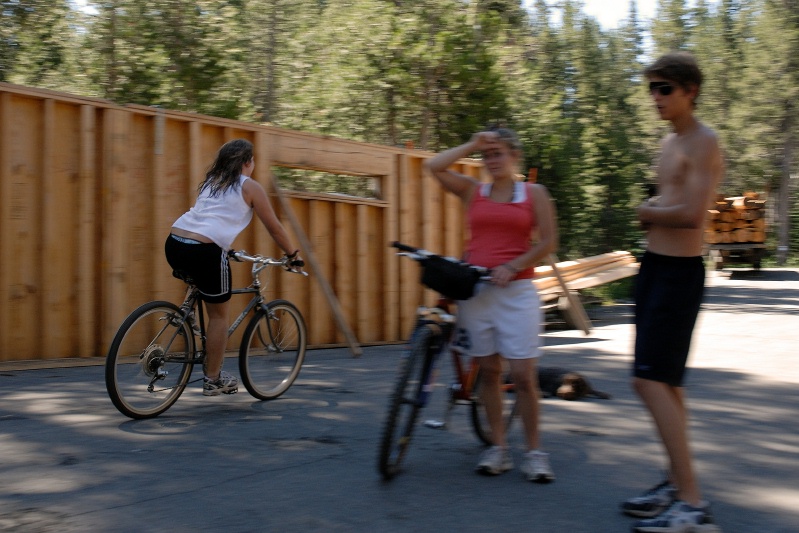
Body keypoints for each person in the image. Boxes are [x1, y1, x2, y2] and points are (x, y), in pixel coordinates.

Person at [621, 52, 723, 532]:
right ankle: (675, 484)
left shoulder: (704, 143)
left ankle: (694, 505)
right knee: (669, 385)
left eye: (664, 89)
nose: (655, 98)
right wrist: (654, 210)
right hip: (655, 268)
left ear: (690, 91)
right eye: (652, 89)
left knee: (648, 381)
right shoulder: (670, 143)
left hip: (679, 274)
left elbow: (691, 215)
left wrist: (647, 212)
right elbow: (670, 202)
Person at [424, 127, 558, 483]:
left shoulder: (534, 193)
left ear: (514, 156)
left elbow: (549, 240)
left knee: (524, 376)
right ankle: (498, 447)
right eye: (487, 155)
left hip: (518, 292)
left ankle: (535, 453)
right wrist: (471, 142)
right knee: (489, 372)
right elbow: (432, 166)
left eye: (498, 153)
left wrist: (513, 265)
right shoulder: (474, 192)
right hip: (478, 291)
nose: (492, 160)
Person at [165, 139, 303, 396]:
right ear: (247, 162)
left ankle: (188, 315)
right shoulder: (250, 187)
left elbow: (208, 218)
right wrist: (292, 255)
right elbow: (274, 227)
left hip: (174, 243)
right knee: (218, 316)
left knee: (202, 283)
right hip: (204, 251)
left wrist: (226, 248)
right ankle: (213, 379)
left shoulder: (212, 181)